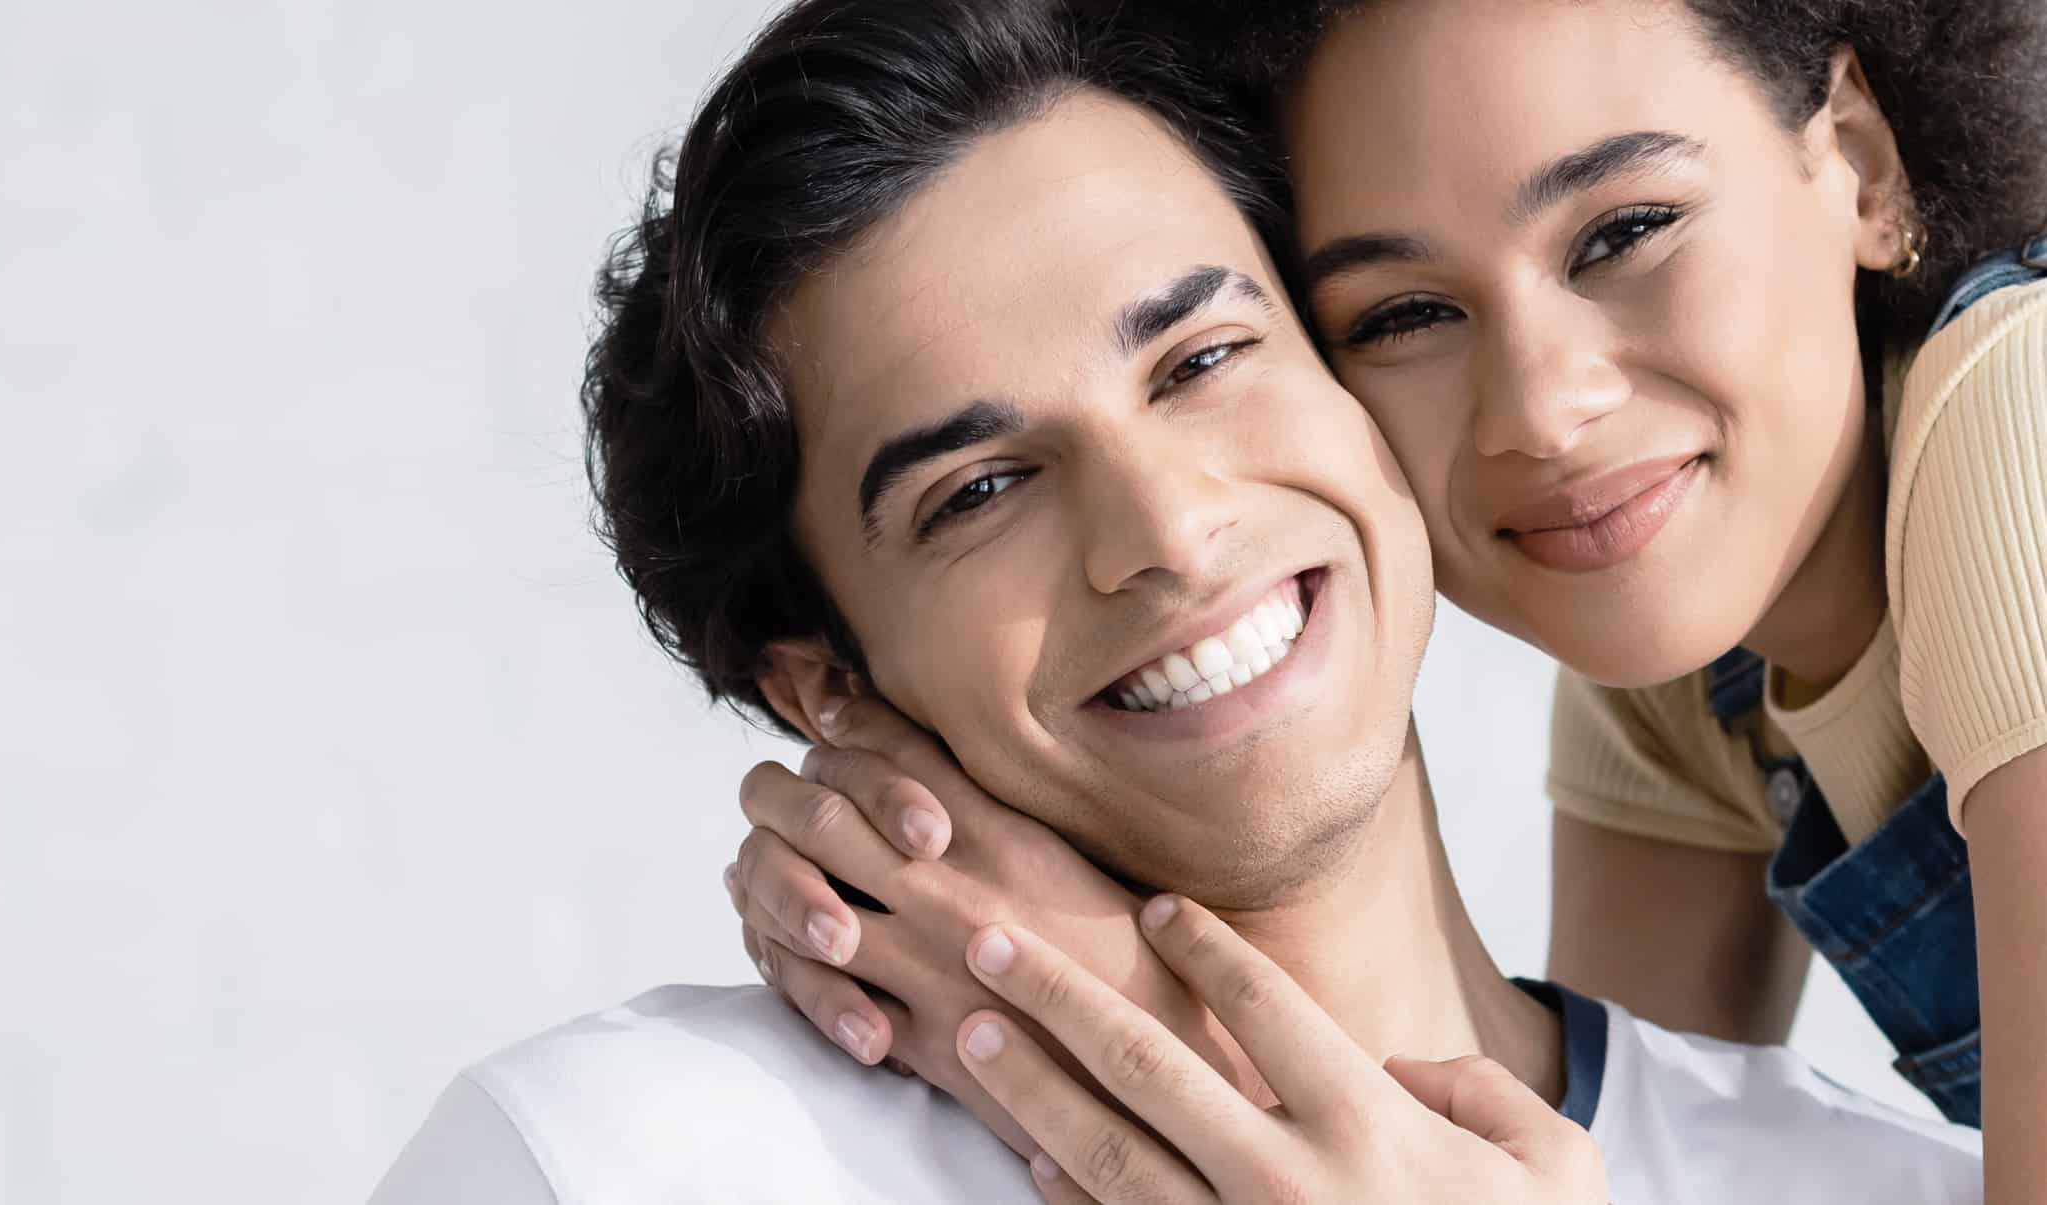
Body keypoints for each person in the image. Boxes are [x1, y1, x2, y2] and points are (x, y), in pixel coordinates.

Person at [372, 1, 1980, 1200]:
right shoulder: (622, 1165)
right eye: (976, 491)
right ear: (823, 687)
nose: (1163, 526)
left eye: (1204, 359)